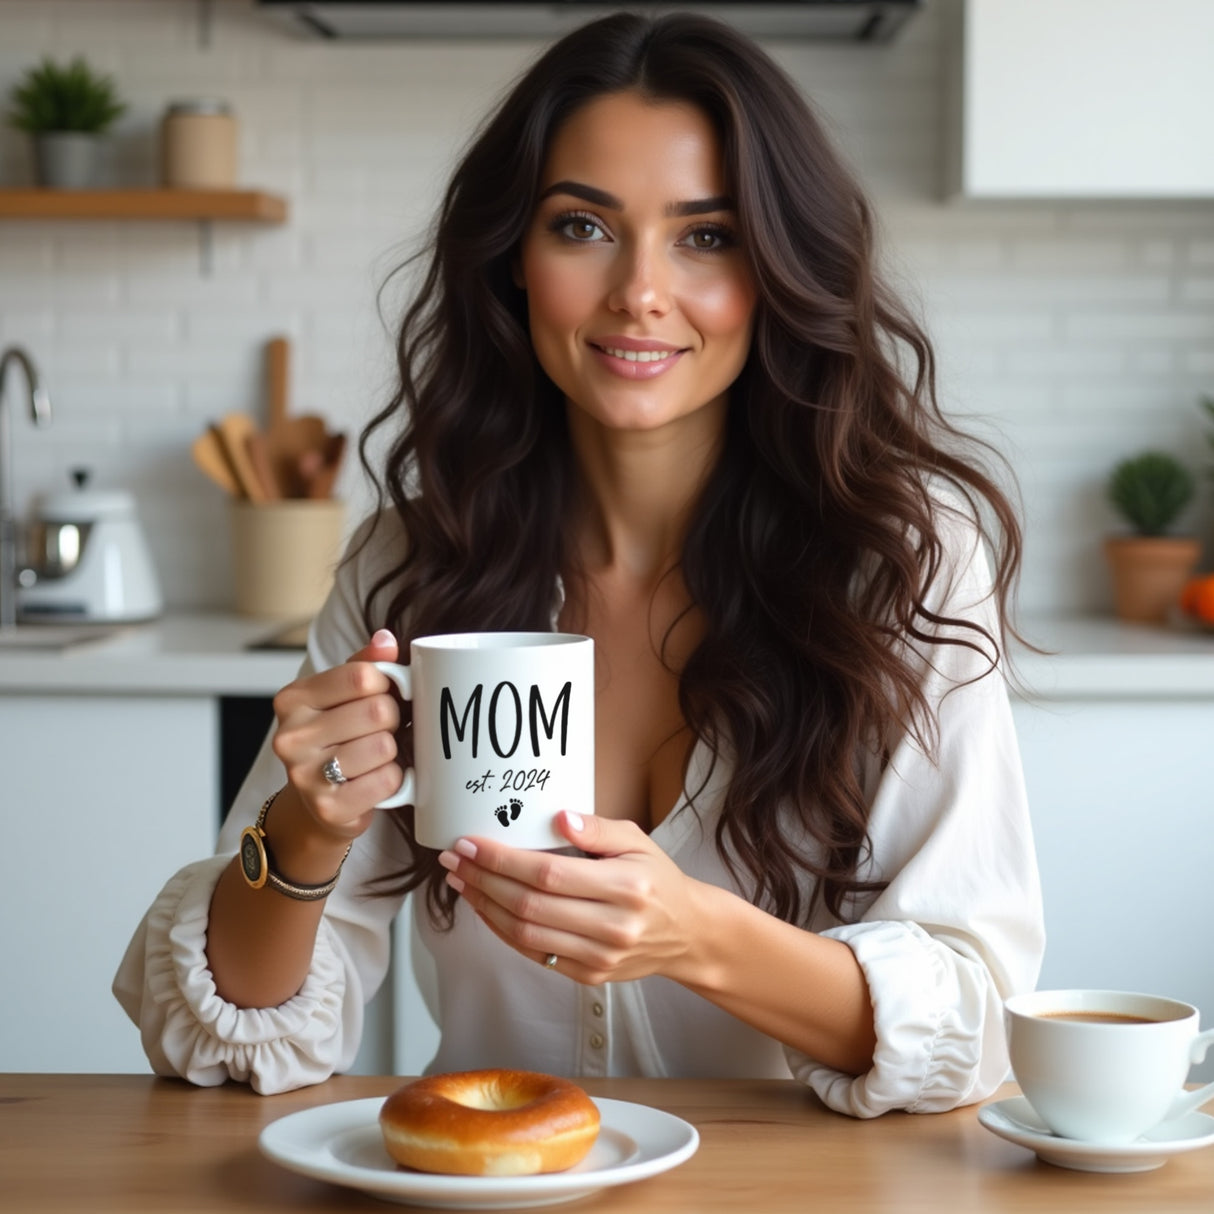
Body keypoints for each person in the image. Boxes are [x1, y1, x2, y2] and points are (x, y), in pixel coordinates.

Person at [114, 11, 1044, 1117]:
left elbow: (977, 1017)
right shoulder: (412, 565)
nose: (638, 291)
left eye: (707, 236)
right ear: (513, 256)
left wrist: (697, 937)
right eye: (583, 226)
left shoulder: (899, 565)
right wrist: (304, 831)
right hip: (483, 1172)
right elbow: (224, 1042)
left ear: (777, 268)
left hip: (791, 1188)